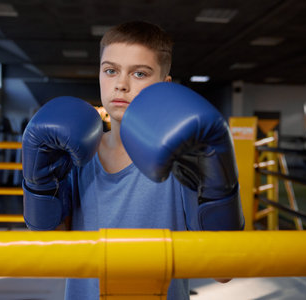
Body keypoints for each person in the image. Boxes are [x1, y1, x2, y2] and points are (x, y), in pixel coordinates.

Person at [22, 21, 244, 300]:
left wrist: (217, 188)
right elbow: (51, 255)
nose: (121, 84)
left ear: (164, 86)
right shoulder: (73, 155)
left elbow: (223, 271)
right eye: (111, 70)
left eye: (139, 73)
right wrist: (40, 184)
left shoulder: (184, 159)